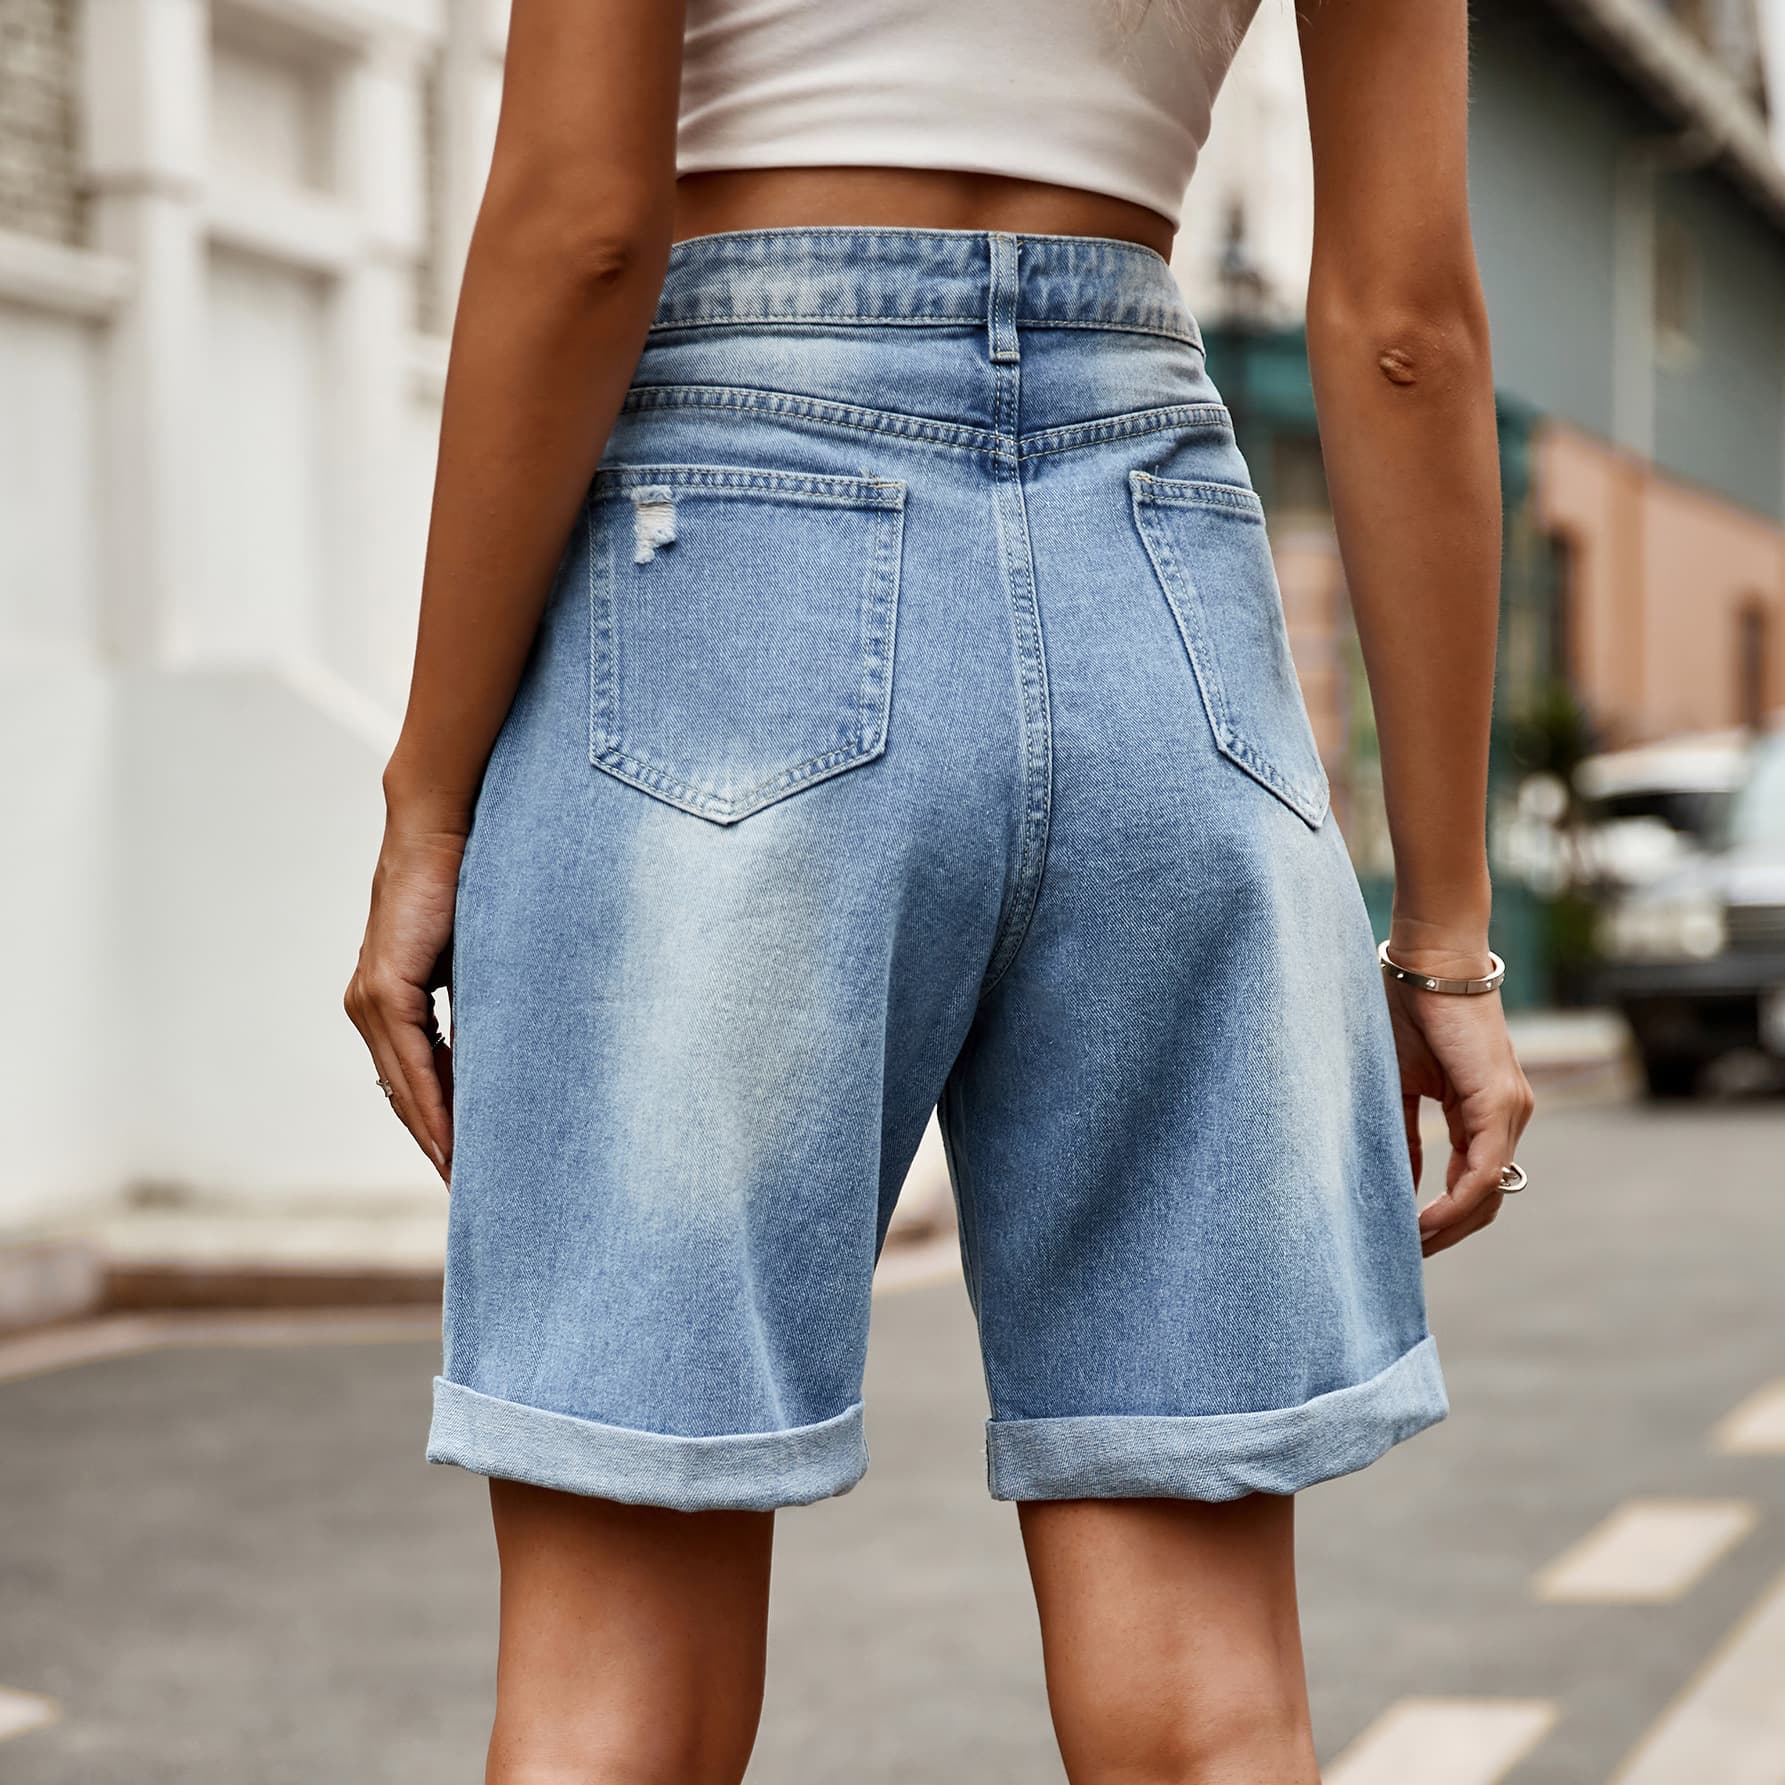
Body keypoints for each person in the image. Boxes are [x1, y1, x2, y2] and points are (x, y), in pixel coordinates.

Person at [345, 0, 1536, 1777]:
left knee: (615, 1691)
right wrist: (1443, 937)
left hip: (731, 540)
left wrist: (427, 799)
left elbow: (584, 226)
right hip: (1154, 556)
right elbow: (1402, 327)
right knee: (1208, 1699)